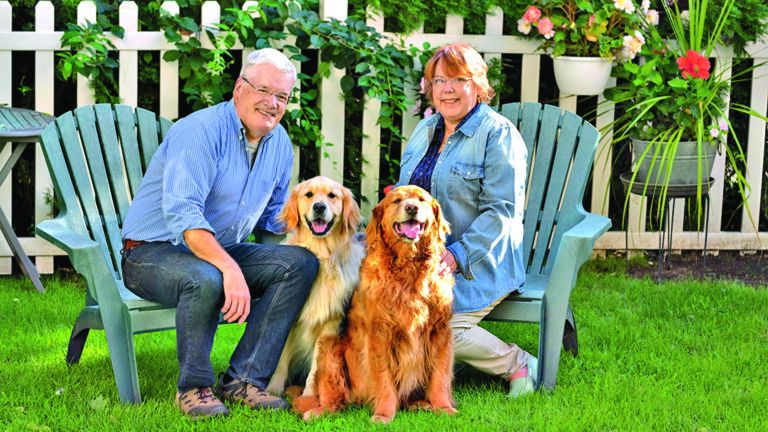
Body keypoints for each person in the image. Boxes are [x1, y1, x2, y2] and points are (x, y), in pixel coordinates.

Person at [121, 48, 319, 418]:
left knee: (300, 264)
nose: (271, 103)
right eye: (263, 90)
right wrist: (230, 270)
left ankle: (244, 379)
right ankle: (194, 388)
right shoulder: (199, 132)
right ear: (239, 88)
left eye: (282, 96)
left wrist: (325, 229)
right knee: (207, 275)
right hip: (151, 253)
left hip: (221, 249)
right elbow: (185, 217)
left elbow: (274, 221)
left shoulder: (279, 146)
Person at [396, 42, 535, 397]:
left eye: (458, 79)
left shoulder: (497, 134)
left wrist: (456, 254)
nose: (448, 89)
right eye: (439, 80)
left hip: (479, 260)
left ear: (478, 84)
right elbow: (404, 192)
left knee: (440, 324)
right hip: (418, 260)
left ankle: (517, 363)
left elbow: (502, 212)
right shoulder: (425, 130)